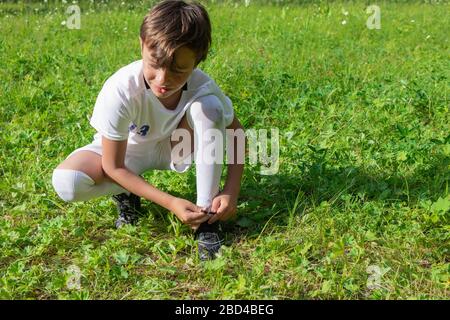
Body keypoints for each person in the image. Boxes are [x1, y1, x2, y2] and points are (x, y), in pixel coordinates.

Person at [51, 0, 244, 261]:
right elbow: (114, 166)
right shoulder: (121, 88)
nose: (163, 79)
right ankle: (127, 191)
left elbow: (236, 133)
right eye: (154, 63)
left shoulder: (202, 85)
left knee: (210, 107)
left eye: (179, 70)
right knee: (67, 183)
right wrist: (170, 202)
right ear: (142, 44)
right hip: (129, 152)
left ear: (197, 61)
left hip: (178, 147)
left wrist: (231, 190)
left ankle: (206, 220)